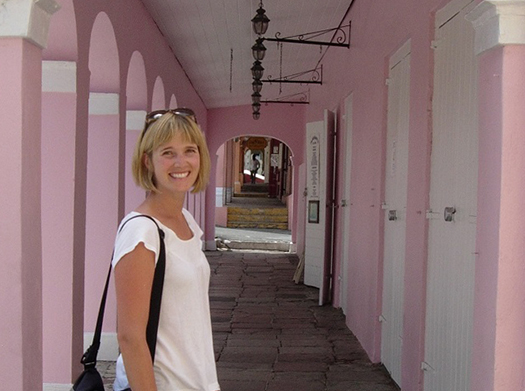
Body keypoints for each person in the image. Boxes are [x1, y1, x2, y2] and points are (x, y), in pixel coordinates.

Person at [112, 108, 220, 391]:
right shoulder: (142, 232)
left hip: (198, 381)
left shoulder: (187, 222)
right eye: (168, 152)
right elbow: (130, 337)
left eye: (189, 150)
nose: (181, 161)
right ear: (148, 161)